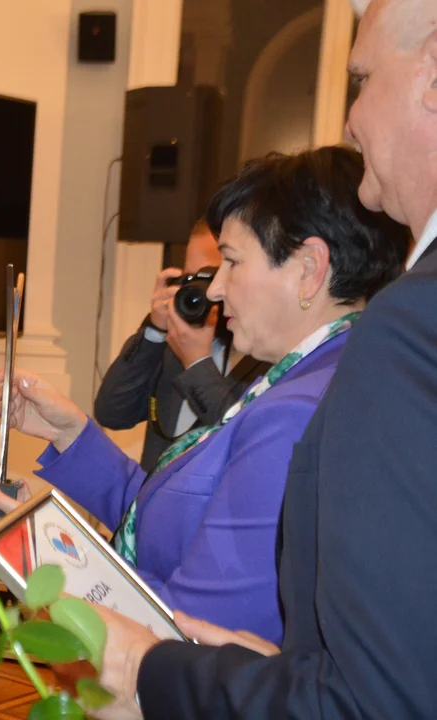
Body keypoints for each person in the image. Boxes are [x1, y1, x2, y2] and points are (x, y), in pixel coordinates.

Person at [70, 1, 437, 717]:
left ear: (307, 271)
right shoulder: (292, 374)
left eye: (359, 80)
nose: (349, 119)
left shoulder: (378, 348)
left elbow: (375, 695)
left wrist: (136, 658)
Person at [0, 147, 409, 645]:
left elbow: (196, 632)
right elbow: (171, 516)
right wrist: (72, 431)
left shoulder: (294, 415)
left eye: (230, 262)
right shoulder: (308, 373)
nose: (212, 291)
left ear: (310, 269)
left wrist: (35, 551)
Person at [94, 221, 269, 472]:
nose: (209, 292)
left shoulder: (271, 355)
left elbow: (243, 445)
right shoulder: (177, 342)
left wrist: (197, 364)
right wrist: (154, 331)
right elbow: (112, 413)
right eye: (192, 278)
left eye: (212, 275)